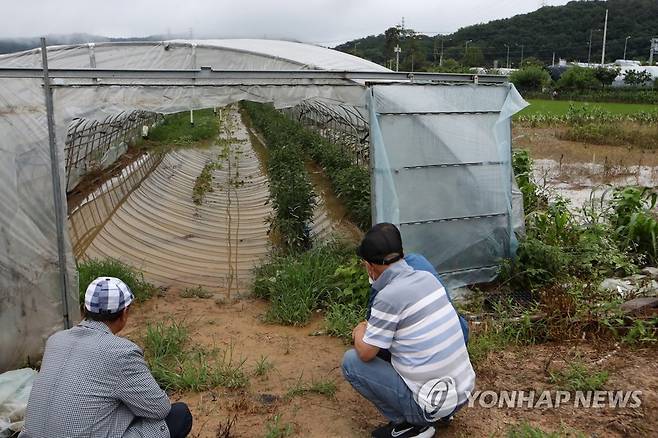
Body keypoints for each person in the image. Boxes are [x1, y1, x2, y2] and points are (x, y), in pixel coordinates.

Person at [342, 223, 476, 438]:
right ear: (401, 253)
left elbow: (366, 353)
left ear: (369, 266)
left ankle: (412, 426)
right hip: (463, 393)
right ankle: (443, 413)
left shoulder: (388, 295)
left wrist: (359, 331)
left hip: (429, 405)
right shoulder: (427, 277)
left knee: (352, 362)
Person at [20, 277, 193, 438]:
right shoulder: (122, 352)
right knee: (179, 415)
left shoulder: (56, 340)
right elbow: (160, 409)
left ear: (84, 309)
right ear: (124, 313)